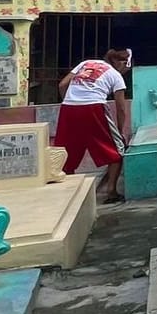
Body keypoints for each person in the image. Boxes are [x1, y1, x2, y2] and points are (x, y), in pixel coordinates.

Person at [54, 47, 132, 202]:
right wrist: (120, 131)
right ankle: (111, 191)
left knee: (66, 152)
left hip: (68, 108)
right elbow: (121, 108)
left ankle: (68, 192)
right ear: (121, 63)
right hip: (94, 108)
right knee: (117, 150)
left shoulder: (86, 63)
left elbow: (62, 85)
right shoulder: (115, 75)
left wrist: (70, 100)